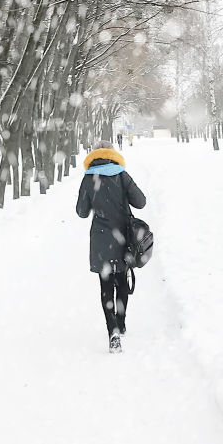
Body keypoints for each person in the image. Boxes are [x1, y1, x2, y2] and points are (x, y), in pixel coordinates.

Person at [75, 142, 146, 353]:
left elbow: (81, 211)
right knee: (122, 282)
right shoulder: (122, 176)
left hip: (100, 239)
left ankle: (112, 329)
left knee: (106, 286)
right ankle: (122, 322)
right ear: (113, 155)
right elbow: (141, 202)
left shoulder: (89, 178)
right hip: (123, 237)